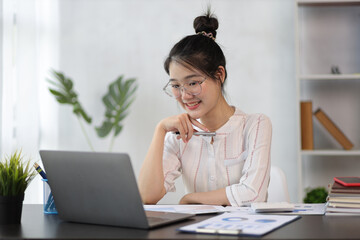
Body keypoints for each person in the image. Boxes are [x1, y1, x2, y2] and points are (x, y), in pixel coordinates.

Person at [138, 10, 272, 206]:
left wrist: (190, 198)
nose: (184, 96)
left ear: (219, 75)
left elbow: (253, 194)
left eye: (192, 83)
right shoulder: (178, 135)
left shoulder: (256, 125)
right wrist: (160, 130)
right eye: (176, 86)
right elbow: (146, 197)